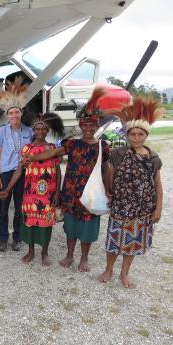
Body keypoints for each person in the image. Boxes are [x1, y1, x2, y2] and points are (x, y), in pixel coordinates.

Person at [27, 88, 110, 272]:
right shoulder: (72, 143)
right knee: (71, 227)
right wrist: (33, 158)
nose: (88, 129)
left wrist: (108, 190)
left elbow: (107, 169)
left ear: (97, 127)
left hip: (90, 194)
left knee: (87, 229)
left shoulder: (103, 146)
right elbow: (54, 152)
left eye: (92, 126)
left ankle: (84, 258)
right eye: (85, 125)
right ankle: (70, 255)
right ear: (80, 126)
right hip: (71, 193)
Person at [98, 97, 164, 288]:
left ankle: (124, 274)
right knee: (114, 241)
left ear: (146, 135)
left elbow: (158, 185)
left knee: (133, 244)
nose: (136, 137)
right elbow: (107, 175)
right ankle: (108, 269)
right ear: (127, 135)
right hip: (120, 207)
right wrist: (108, 192)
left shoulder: (153, 157)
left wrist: (158, 208)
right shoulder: (118, 154)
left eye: (140, 134)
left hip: (143, 210)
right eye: (133, 134)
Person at [0, 113, 64, 265]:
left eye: (43, 129)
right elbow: (18, 171)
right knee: (30, 222)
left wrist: (57, 193)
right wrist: (8, 189)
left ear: (47, 131)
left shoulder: (53, 148)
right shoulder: (27, 149)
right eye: (37, 129)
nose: (40, 132)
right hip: (30, 193)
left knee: (46, 223)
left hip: (48, 194)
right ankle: (31, 251)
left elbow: (58, 171)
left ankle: (45, 253)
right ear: (33, 131)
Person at [0, 78, 33, 251]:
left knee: (20, 208)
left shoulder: (29, 131)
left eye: (17, 112)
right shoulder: (1, 131)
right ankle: (2, 239)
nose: (14, 116)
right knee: (2, 208)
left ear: (21, 113)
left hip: (23, 173)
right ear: (7, 115)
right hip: (5, 172)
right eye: (11, 114)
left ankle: (17, 237)